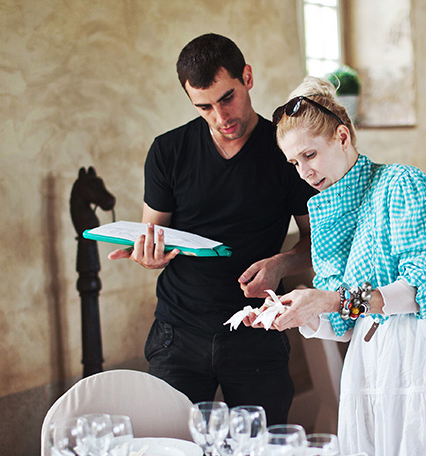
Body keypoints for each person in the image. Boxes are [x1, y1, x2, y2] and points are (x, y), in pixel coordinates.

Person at [263, 77, 426, 456]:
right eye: (294, 163)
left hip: (424, 350)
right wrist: (301, 313)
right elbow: (346, 320)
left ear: (343, 136)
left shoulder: (401, 183)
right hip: (371, 366)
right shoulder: (330, 212)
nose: (305, 172)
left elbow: (424, 286)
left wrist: (331, 301)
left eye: (310, 154)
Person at [109, 34, 314, 425]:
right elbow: (153, 234)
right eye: (204, 107)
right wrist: (147, 258)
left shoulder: (287, 151)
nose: (221, 116)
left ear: (247, 77)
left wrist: (282, 265)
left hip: (257, 327)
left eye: (227, 98)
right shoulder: (168, 151)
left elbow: (317, 241)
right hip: (178, 333)